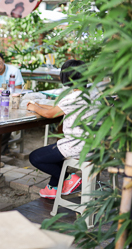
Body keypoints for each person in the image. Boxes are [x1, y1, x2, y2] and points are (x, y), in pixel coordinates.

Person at [28, 60, 97, 199]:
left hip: (77, 145)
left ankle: (69, 179)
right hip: (93, 144)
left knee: (35, 157)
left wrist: (34, 108)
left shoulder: (73, 98)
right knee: (53, 153)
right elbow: (57, 109)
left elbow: (49, 114)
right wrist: (39, 105)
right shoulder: (91, 94)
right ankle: (53, 188)